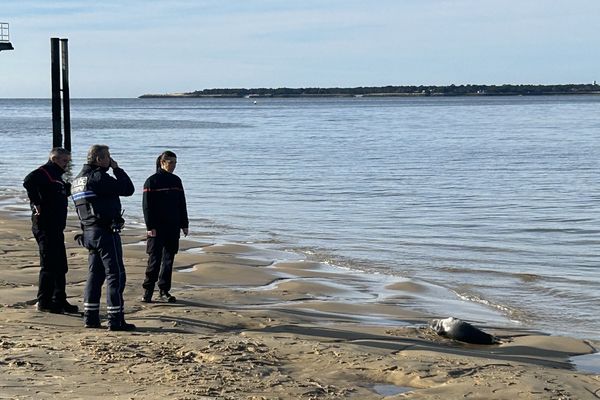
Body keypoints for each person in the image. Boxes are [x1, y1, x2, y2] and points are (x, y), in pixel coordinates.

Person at [71, 145, 135, 331]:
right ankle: (116, 320)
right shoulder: (98, 176)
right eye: (108, 157)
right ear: (99, 159)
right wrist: (117, 168)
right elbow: (127, 188)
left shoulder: (77, 180)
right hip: (105, 232)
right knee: (116, 275)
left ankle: (90, 317)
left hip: (88, 232)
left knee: (94, 275)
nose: (110, 160)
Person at [23, 147, 79, 314]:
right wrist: (36, 203)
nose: (66, 165)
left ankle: (60, 299)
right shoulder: (44, 172)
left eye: (68, 162)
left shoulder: (57, 177)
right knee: (48, 265)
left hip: (56, 227)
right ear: (54, 159)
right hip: (45, 226)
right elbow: (28, 181)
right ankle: (44, 301)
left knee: (60, 265)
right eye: (64, 161)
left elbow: (59, 193)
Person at [141, 151, 189, 303]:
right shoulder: (152, 181)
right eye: (170, 163)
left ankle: (164, 290)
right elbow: (146, 206)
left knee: (169, 260)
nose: (173, 166)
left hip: (173, 227)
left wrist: (184, 224)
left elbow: (182, 203)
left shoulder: (176, 181)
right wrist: (150, 226)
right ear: (162, 163)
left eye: (175, 163)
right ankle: (148, 291)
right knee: (154, 259)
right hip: (156, 227)